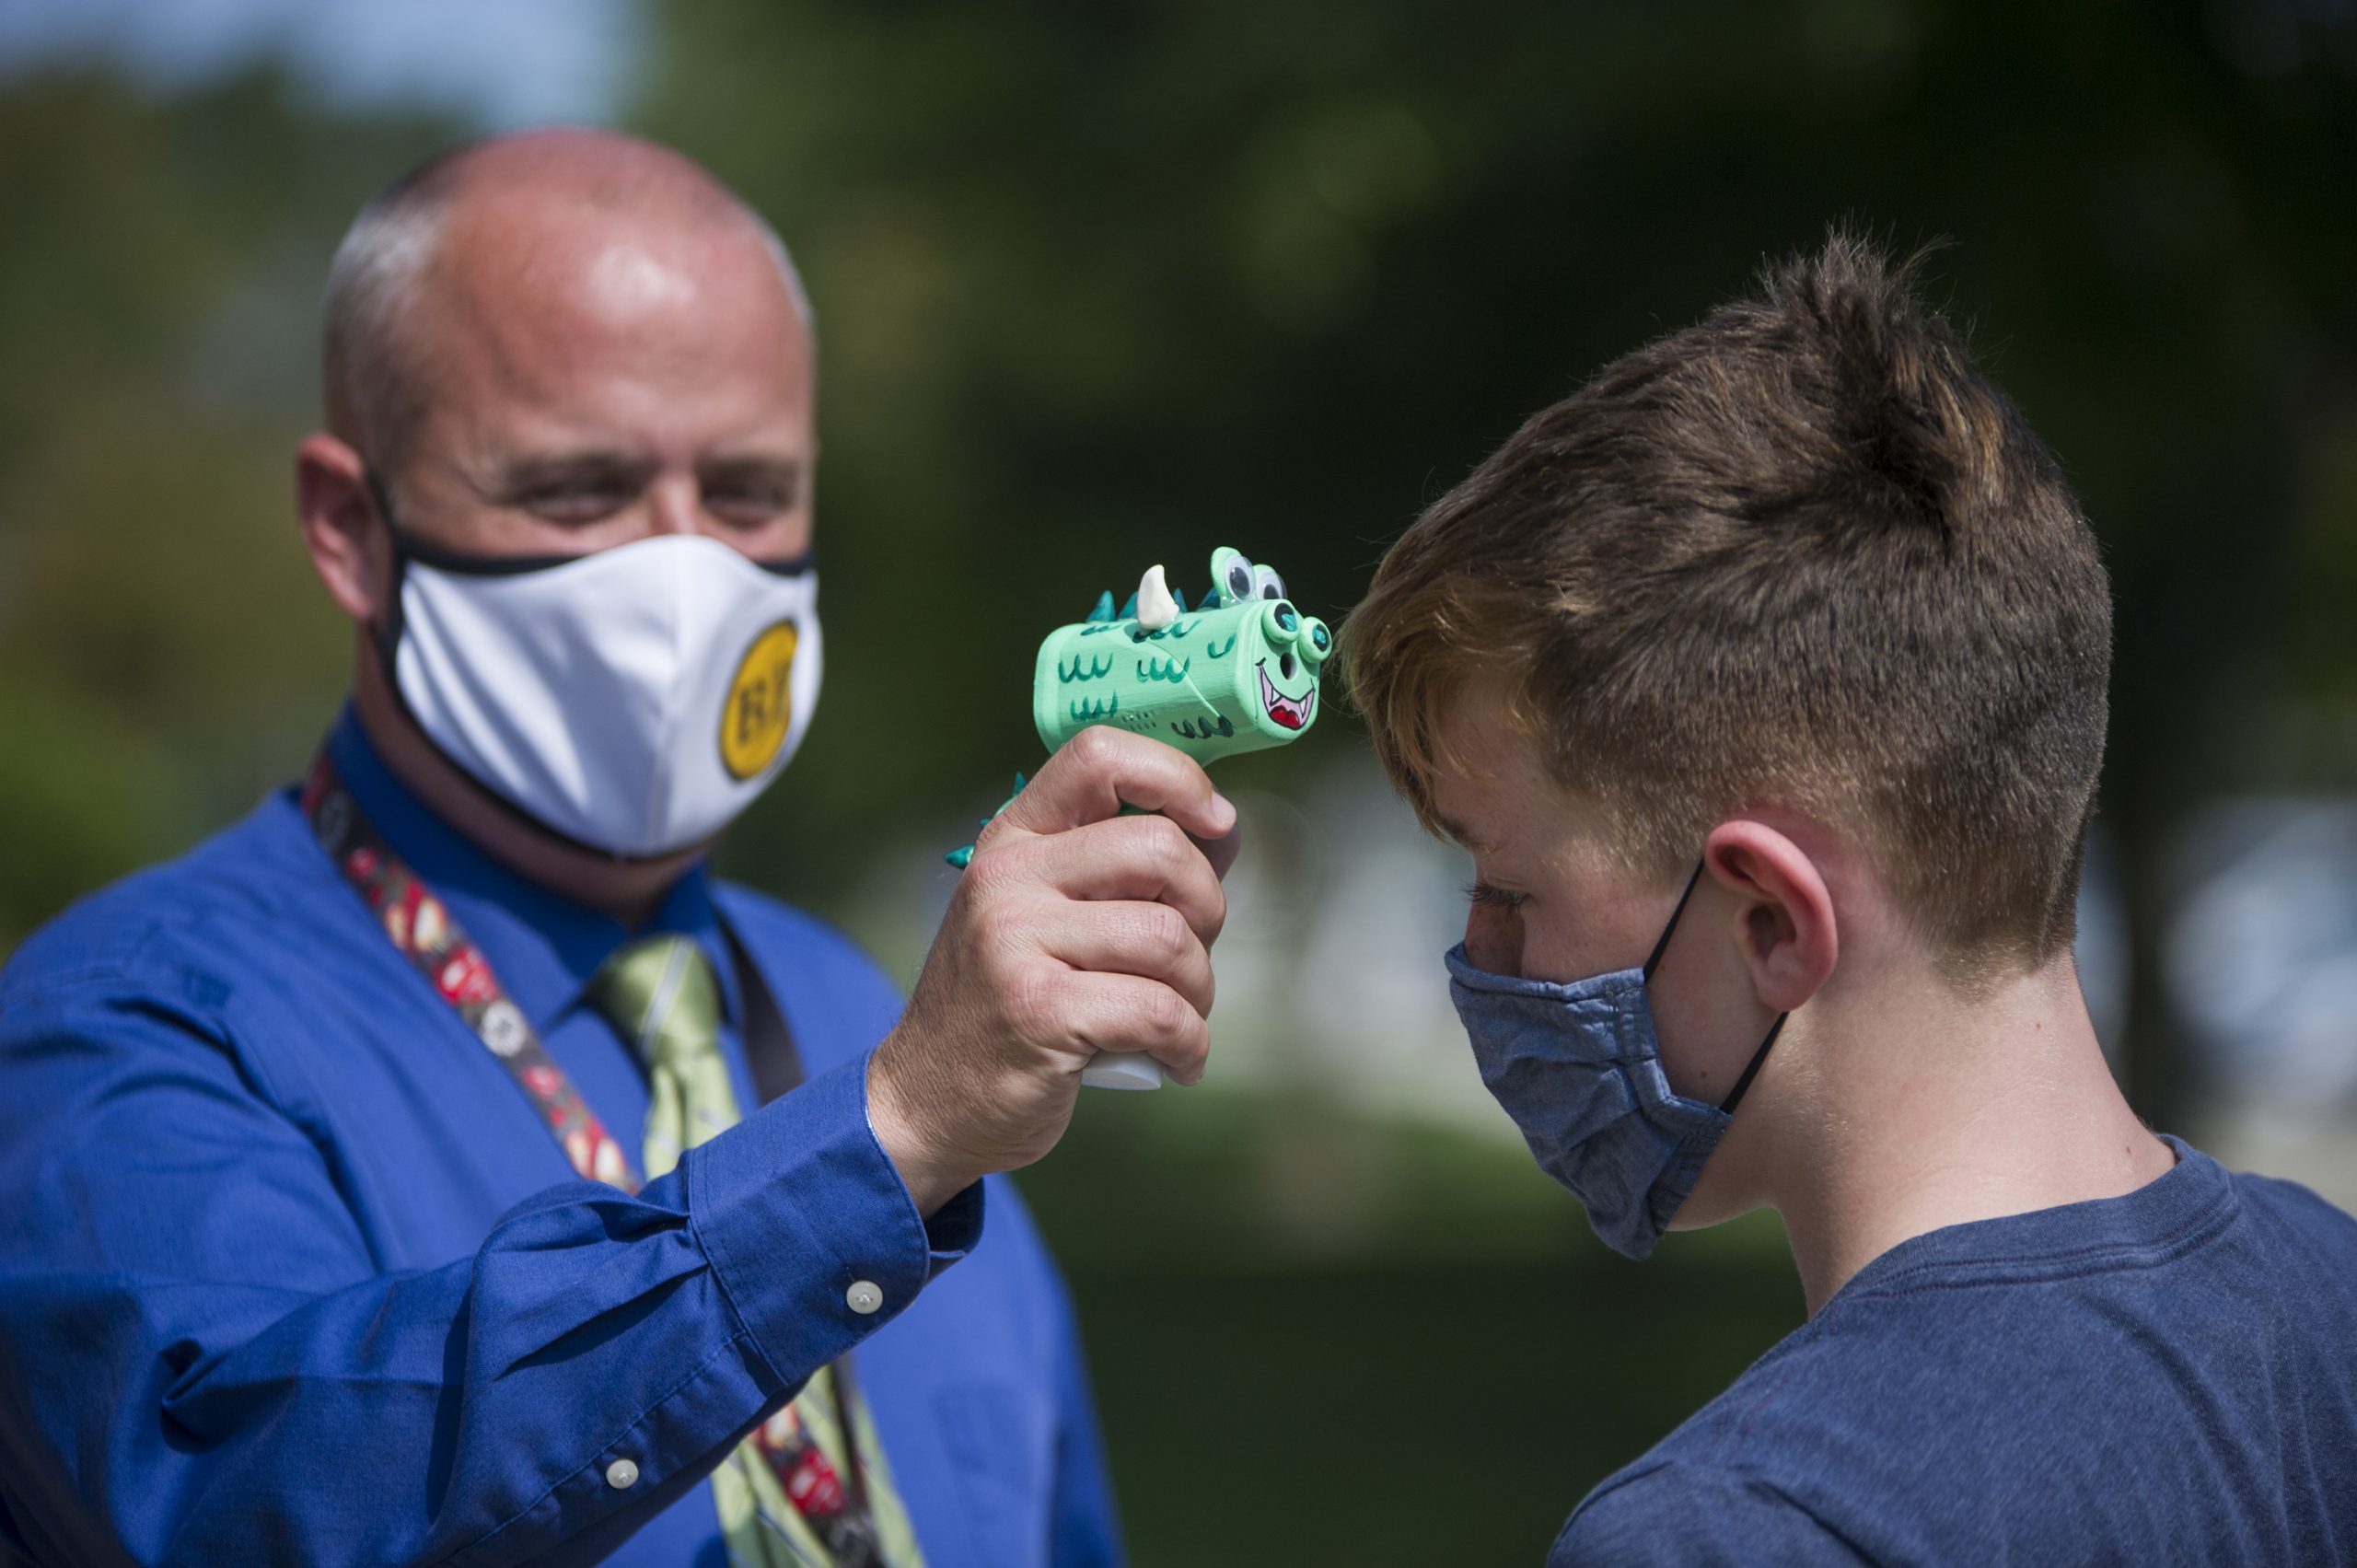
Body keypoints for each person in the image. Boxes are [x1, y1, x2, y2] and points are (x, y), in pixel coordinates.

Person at [0, 129, 1237, 1567]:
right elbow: (246, 1508)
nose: (684, 570)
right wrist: (886, 1145)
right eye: (577, 488)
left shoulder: (860, 1002)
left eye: (748, 493)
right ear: (351, 528)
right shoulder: (127, 1024)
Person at [1342, 234, 2357, 1564]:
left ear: (1770, 920)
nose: (1479, 956)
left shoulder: (1742, 1533)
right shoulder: (2331, 1297)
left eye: (1506, 888)